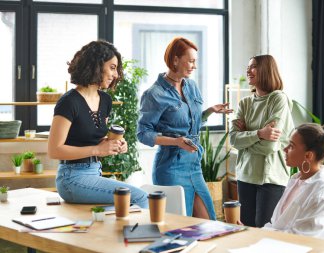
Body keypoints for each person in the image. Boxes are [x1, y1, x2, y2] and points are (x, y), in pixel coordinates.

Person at [137, 37, 232, 219]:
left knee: (209, 223)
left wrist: (209, 111)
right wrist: (176, 142)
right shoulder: (154, 94)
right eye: (190, 61)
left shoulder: (192, 87)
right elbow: (143, 133)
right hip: (171, 166)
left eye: (195, 61)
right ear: (175, 60)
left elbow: (190, 124)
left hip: (194, 165)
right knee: (180, 226)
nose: (194, 66)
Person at [48, 40, 148, 207]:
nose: (116, 75)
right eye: (112, 67)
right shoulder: (69, 102)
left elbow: (99, 141)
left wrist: (115, 144)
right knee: (140, 198)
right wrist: (97, 149)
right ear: (96, 65)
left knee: (112, 212)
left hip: (95, 173)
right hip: (71, 178)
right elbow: (54, 150)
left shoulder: (105, 100)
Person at [230, 55, 294, 227]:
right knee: (246, 229)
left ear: (266, 70)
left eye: (253, 67)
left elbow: (268, 146)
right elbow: (233, 140)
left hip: (270, 178)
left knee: (264, 232)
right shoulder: (244, 103)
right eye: (248, 66)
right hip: (245, 175)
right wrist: (258, 133)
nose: (248, 70)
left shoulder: (278, 99)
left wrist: (246, 136)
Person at [263, 123, 324, 240]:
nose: (285, 149)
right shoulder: (297, 180)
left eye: (291, 146)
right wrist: (253, 233)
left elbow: (302, 238)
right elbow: (276, 224)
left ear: (308, 155)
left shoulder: (323, 191)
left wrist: (259, 235)